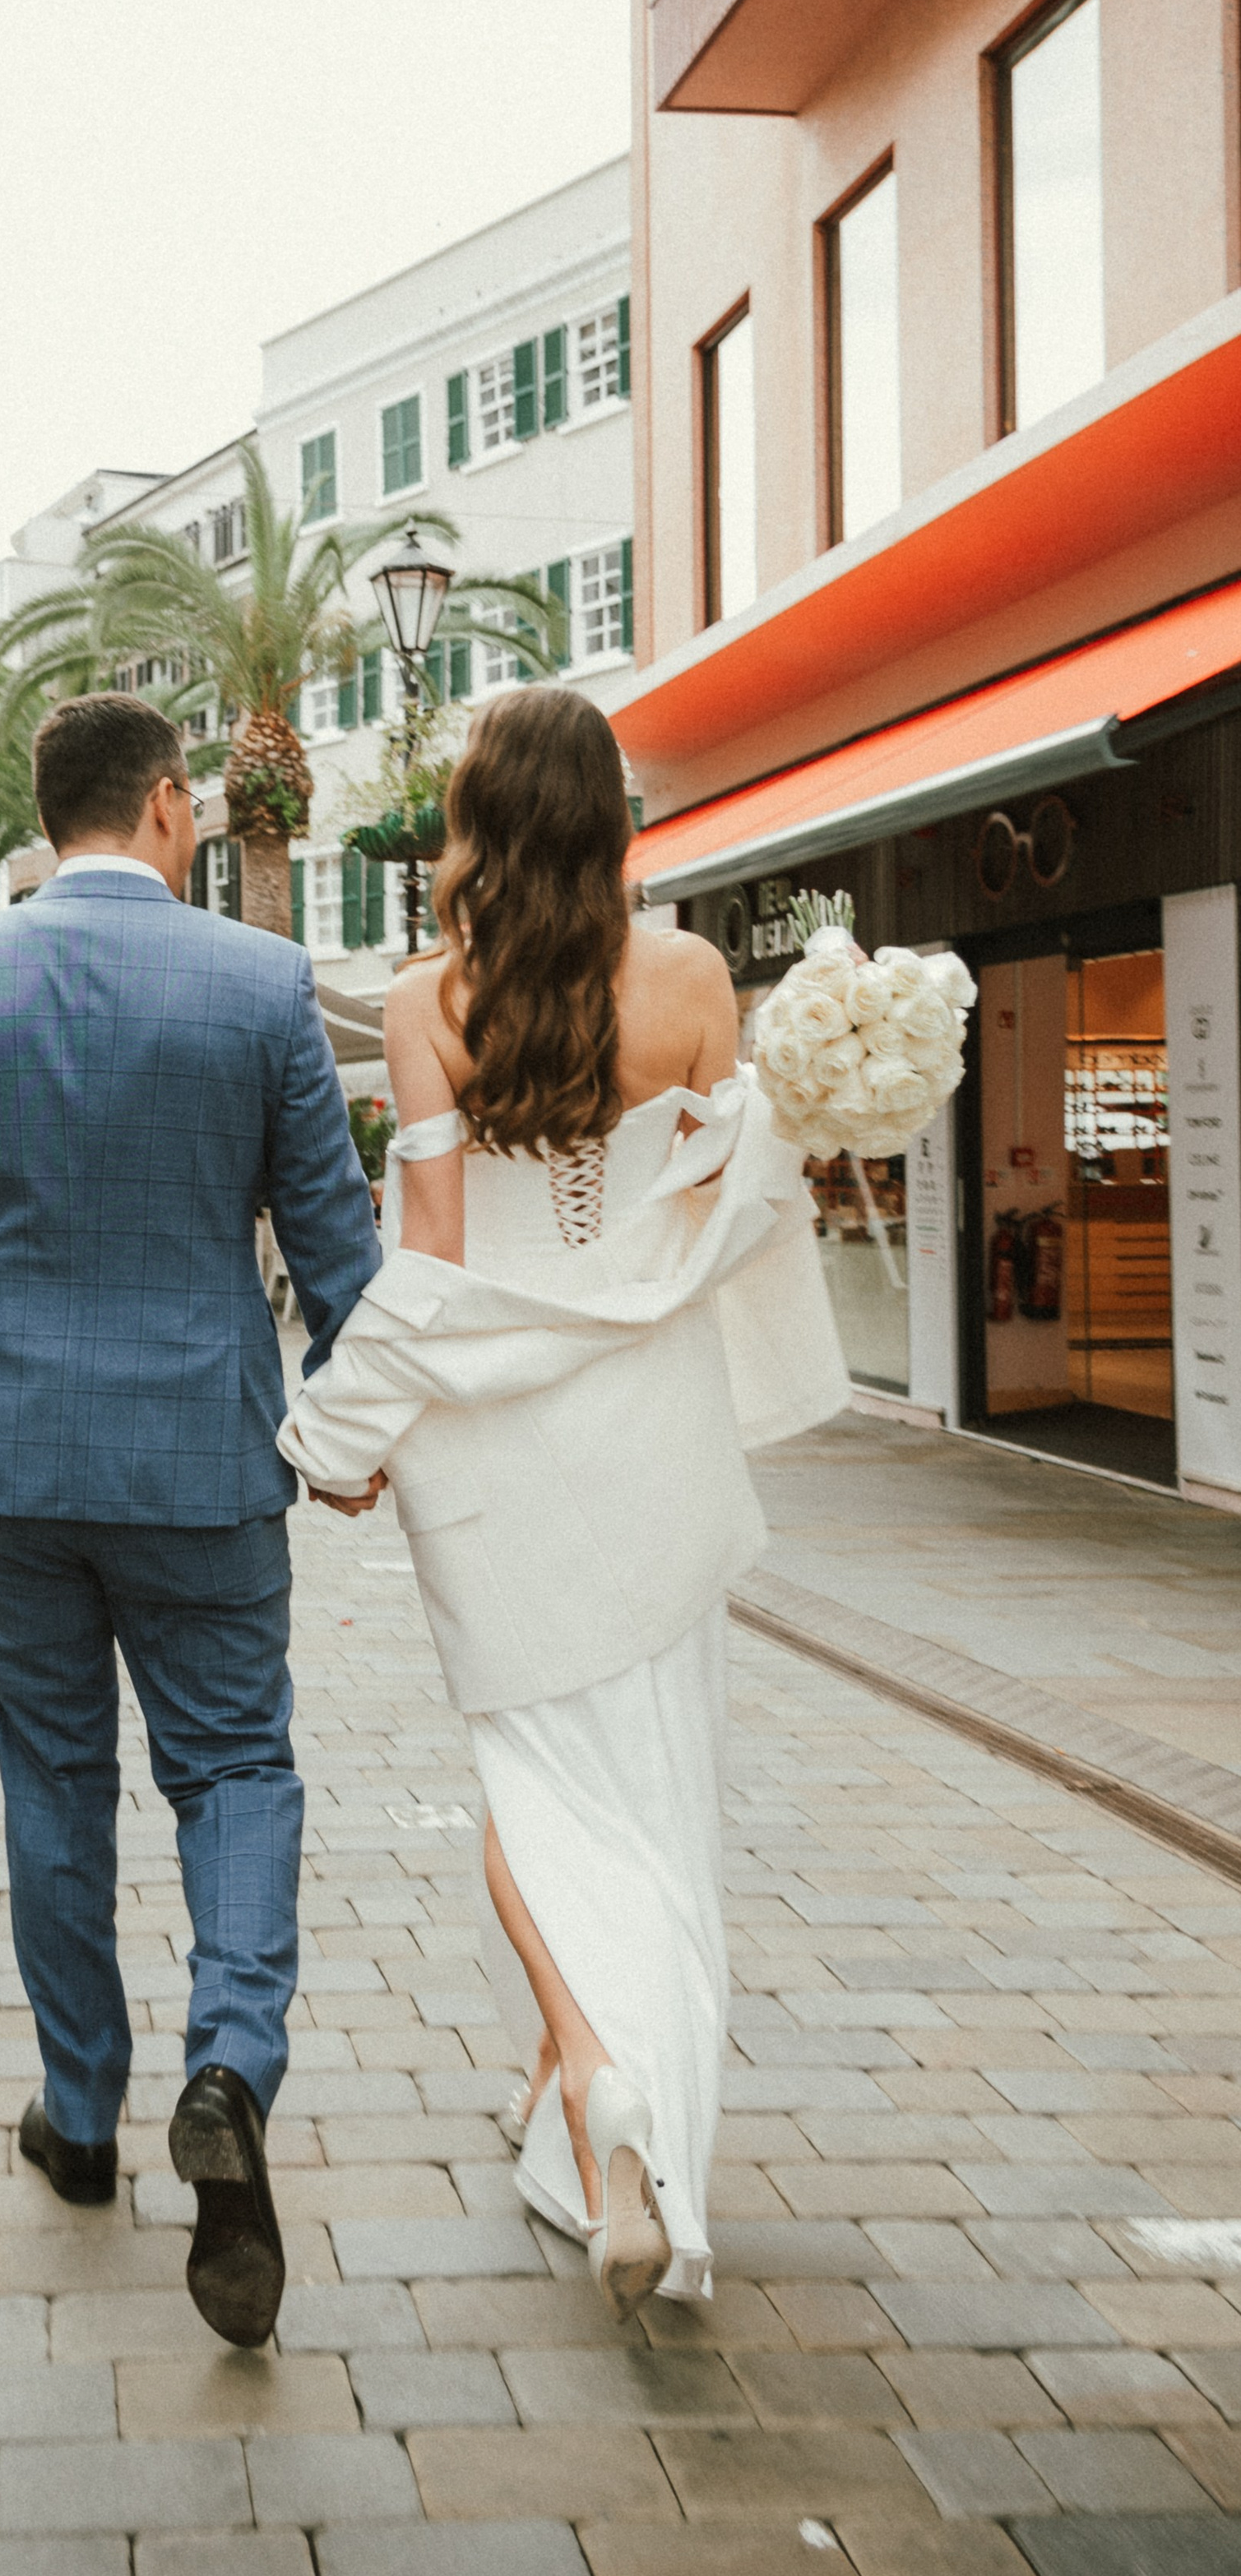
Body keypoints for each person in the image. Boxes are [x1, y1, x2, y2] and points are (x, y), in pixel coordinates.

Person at [278, 685, 847, 2320]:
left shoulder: (422, 1002)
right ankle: (615, 2123)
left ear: (471, 829)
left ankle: (589, 2072)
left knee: (534, 1794)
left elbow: (435, 1268)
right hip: (654, 1436)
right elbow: (715, 1219)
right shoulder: (686, 980)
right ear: (607, 820)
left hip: (497, 1457)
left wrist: (341, 1438)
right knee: (657, 1791)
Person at [0, 691, 382, 2351]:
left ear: (47, 806)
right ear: (166, 806)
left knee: (50, 1773)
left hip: (10, 1468)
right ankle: (229, 2061)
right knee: (231, 1764)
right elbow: (336, 1246)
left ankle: (82, 2119)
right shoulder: (257, 983)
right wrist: (339, 1424)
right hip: (204, 1459)